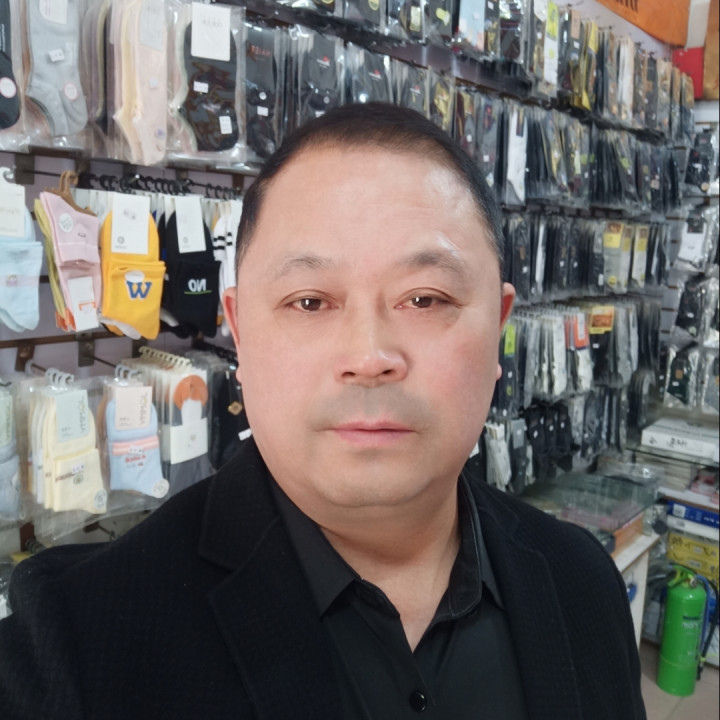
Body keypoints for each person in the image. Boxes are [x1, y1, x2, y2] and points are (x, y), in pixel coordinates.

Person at [0, 103, 645, 719]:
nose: (369, 357)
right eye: (309, 302)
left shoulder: (583, 584)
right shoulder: (76, 644)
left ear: (498, 330)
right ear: (240, 335)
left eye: (424, 299)